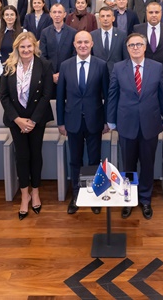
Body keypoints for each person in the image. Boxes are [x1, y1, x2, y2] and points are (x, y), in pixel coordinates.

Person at [107, 33, 163, 220]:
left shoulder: (157, 67)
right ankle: (128, 198)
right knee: (128, 165)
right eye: (131, 45)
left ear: (145, 47)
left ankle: (145, 199)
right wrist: (110, 119)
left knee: (148, 164)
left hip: (150, 123)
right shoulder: (118, 68)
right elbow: (112, 95)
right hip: (126, 124)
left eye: (138, 44)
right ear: (127, 48)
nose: (135, 48)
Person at [0, 32, 54, 219]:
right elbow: (4, 96)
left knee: (35, 155)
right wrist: (17, 119)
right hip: (16, 120)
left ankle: (36, 192)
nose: (26, 50)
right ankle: (25, 195)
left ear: (34, 47)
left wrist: (33, 120)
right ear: (17, 48)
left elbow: (47, 95)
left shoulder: (44, 65)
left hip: (36, 119)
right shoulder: (9, 66)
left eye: (29, 46)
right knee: (21, 157)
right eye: (22, 47)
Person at [57, 31, 109, 215]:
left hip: (95, 120)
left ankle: (94, 195)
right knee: (75, 160)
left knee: (94, 160)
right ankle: (77, 196)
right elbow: (60, 96)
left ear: (92, 44)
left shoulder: (101, 65)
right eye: (79, 42)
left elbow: (107, 96)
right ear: (74, 44)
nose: (83, 45)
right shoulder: (65, 66)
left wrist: (107, 121)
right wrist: (60, 122)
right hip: (72, 121)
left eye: (86, 42)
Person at [134, 2, 163, 91]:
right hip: (143, 73)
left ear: (161, 13)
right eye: (151, 12)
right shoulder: (138, 29)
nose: (154, 15)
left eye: (157, 12)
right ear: (146, 13)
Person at [39, 4, 77, 85]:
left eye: (59, 12)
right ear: (50, 14)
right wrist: (51, 74)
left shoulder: (73, 32)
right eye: (54, 12)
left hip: (68, 75)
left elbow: (74, 55)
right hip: (49, 76)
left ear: (64, 14)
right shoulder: (44, 32)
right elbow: (42, 55)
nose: (57, 15)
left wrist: (62, 73)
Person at [0, 5, 25, 87]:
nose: (9, 17)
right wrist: (1, 71)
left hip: (20, 73)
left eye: (12, 15)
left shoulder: (23, 32)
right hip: (3, 73)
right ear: (3, 17)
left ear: (16, 16)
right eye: (7, 15)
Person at [91, 7, 128, 74]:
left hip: (117, 74)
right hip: (97, 74)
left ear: (113, 18)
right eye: (102, 16)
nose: (105, 19)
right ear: (99, 19)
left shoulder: (122, 35)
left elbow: (125, 58)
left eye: (108, 16)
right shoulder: (92, 35)